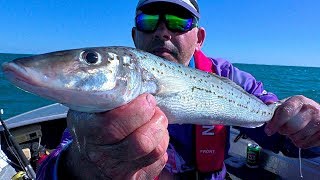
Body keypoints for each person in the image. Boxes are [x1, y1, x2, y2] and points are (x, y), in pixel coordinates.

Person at [37, 0, 320, 179]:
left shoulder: (229, 77)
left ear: (199, 38)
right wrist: (83, 166)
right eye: (148, 21)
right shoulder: (107, 89)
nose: (162, 32)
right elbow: (50, 172)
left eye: (178, 21)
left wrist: (308, 124)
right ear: (134, 35)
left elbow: (285, 133)